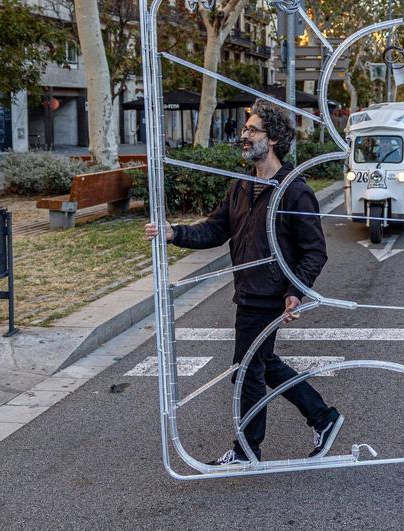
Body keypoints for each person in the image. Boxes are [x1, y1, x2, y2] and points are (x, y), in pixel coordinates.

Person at [145, 100, 341, 465]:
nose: (244, 136)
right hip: (247, 292)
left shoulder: (294, 191)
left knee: (249, 372)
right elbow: (215, 230)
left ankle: (247, 449)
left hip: (270, 294)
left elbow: (314, 251)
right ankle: (323, 417)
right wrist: (174, 234)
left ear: (274, 140)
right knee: (259, 366)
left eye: (252, 130)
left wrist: (295, 291)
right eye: (246, 129)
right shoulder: (242, 186)